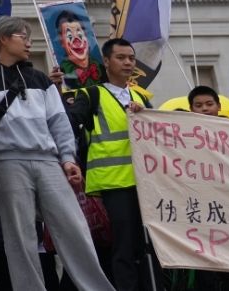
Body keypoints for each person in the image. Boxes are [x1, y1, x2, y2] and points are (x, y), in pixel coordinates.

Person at [0, 16, 115, 291]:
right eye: (23, 36)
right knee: (19, 237)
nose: (29, 42)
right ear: (4, 40)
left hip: (48, 161)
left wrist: (68, 159)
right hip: (8, 163)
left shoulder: (40, 79)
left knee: (74, 228)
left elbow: (59, 121)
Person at [68, 38, 156, 291]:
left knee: (150, 246)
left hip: (146, 183)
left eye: (131, 58)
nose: (128, 62)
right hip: (113, 182)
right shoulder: (91, 95)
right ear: (106, 62)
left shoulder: (141, 97)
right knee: (124, 246)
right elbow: (68, 125)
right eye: (121, 57)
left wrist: (146, 116)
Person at [54, 11, 103, 87]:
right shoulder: (63, 74)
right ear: (62, 42)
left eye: (79, 34)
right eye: (69, 36)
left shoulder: (102, 68)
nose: (77, 41)